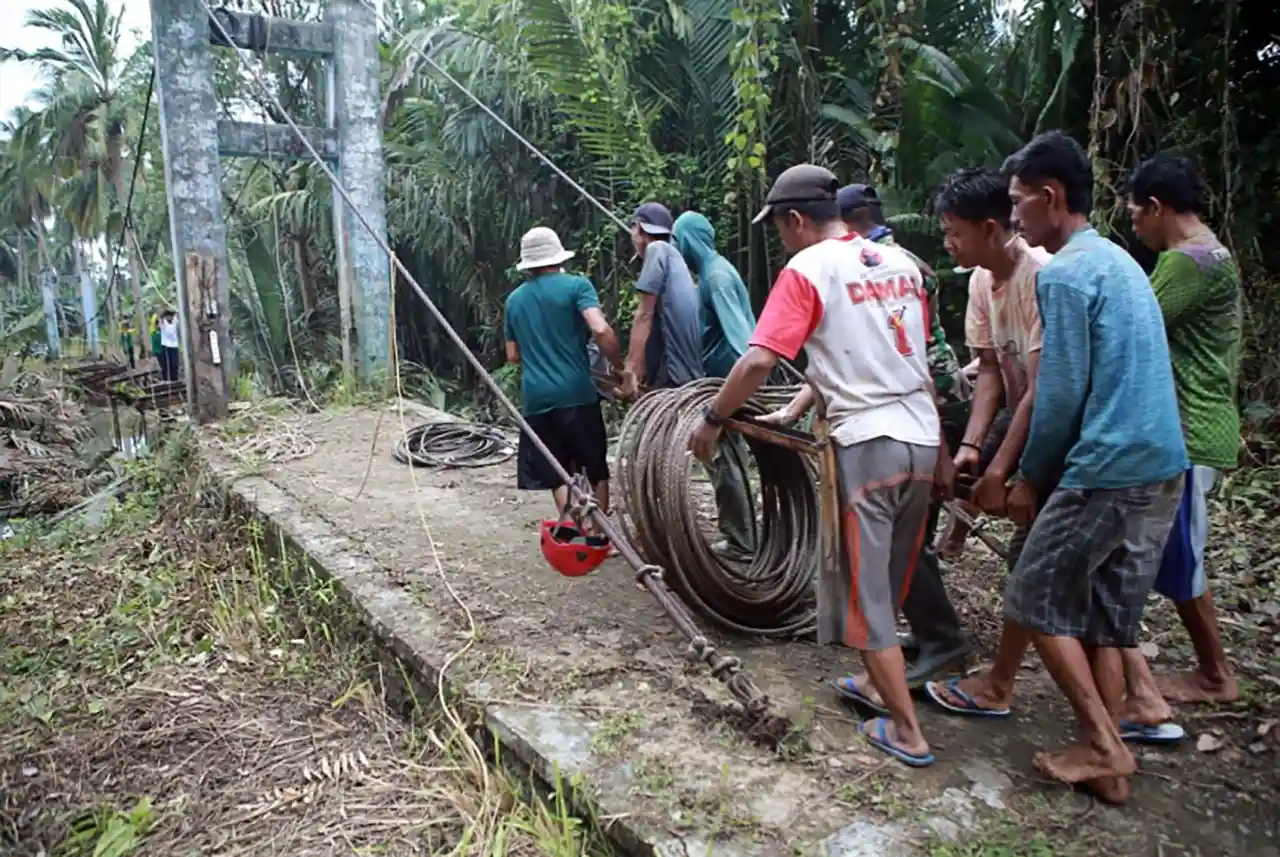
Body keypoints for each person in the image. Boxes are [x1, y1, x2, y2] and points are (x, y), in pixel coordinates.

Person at [928, 132, 1187, 805]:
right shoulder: (1120, 261)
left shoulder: (1067, 274)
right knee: (1101, 617)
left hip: (1108, 464)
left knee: (1032, 596)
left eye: (1018, 205)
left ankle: (1105, 742)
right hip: (1161, 465)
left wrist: (1028, 480)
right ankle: (1107, 771)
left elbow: (1062, 391)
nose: (1016, 219)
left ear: (1049, 197)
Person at [691, 164, 951, 768]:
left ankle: (908, 732)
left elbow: (758, 361)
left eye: (779, 227)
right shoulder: (902, 265)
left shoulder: (805, 269)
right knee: (893, 579)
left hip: (866, 445)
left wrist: (713, 417)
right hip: (920, 438)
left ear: (796, 220)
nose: (781, 239)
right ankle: (878, 683)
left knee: (866, 600)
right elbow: (918, 360)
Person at [822, 182, 973, 687]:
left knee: (902, 540)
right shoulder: (894, 259)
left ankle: (942, 639)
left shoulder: (877, 263)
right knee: (902, 537)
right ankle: (919, 633)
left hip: (922, 407)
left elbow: (896, 352)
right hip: (924, 405)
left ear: (852, 220)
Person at [1118, 152, 1242, 733]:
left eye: (1137, 216)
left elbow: (1132, 327)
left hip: (1189, 428)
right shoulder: (1212, 251)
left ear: (1158, 207)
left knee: (1183, 559)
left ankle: (1215, 673)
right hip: (1197, 419)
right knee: (1172, 554)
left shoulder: (1184, 264)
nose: (1135, 227)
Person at [932, 167, 1052, 575]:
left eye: (954, 233)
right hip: (1019, 406)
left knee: (1037, 541)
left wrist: (1001, 469)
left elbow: (1045, 388)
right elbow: (988, 371)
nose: (948, 244)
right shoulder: (980, 280)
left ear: (988, 229)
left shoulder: (1041, 275)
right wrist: (971, 445)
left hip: (1057, 416)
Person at [503, 226, 626, 520]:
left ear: (528, 265)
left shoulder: (514, 301)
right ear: (559, 258)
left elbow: (512, 355)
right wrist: (619, 369)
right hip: (577, 393)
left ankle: (572, 528)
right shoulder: (577, 287)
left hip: (537, 399)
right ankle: (599, 536)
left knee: (556, 470)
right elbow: (600, 329)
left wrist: (540, 355)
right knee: (595, 468)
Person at [672, 210, 758, 560]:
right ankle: (742, 534)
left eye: (678, 241)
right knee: (726, 459)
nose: (676, 249)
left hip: (725, 387)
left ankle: (741, 542)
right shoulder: (711, 273)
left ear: (689, 240)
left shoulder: (717, 277)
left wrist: (731, 397)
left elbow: (742, 340)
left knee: (723, 459)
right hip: (719, 383)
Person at [620, 203, 703, 398]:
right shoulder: (675, 257)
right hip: (687, 374)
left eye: (632, 227)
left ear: (639, 227)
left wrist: (630, 369)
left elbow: (644, 314)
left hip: (673, 375)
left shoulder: (657, 249)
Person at [158, 310, 181, 381]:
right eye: (167, 316)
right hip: (166, 346)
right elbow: (160, 317)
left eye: (171, 316)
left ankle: (175, 379)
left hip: (174, 346)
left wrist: (176, 312)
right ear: (165, 317)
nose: (169, 317)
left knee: (174, 363)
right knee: (167, 364)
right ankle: (167, 379)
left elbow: (178, 315)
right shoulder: (163, 323)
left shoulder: (175, 321)